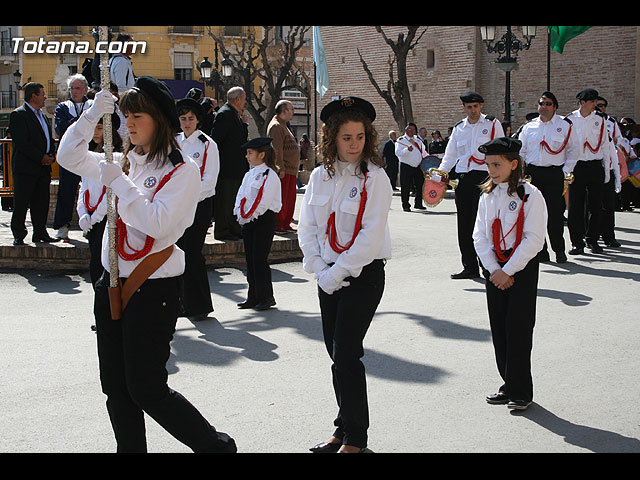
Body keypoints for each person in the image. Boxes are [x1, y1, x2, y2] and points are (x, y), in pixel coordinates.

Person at [56, 76, 236, 453]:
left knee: (146, 388)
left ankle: (215, 447)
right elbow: (68, 156)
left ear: (159, 119)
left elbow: (159, 223)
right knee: (116, 388)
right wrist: (91, 114)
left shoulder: (181, 170)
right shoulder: (124, 159)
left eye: (137, 116)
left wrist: (120, 183)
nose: (129, 124)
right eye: (125, 116)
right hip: (111, 284)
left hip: (153, 290)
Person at [298, 96, 392, 453]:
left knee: (347, 353)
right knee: (336, 356)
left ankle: (356, 439)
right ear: (331, 139)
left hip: (362, 276)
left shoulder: (375, 178)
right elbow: (307, 226)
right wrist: (321, 269)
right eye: (346, 138)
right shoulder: (321, 176)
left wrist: (336, 273)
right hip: (327, 277)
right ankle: (343, 427)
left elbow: (370, 236)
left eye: (360, 137)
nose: (355, 144)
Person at [472, 137, 548, 411]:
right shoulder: (487, 195)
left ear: (514, 164)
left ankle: (521, 390)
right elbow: (479, 236)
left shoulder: (530, 195)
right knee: (500, 329)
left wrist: (508, 270)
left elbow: (533, 239)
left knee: (519, 327)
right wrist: (494, 270)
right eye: (488, 164)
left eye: (497, 164)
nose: (491, 170)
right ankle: (508, 383)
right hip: (495, 271)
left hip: (521, 270)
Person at [437, 90, 505, 279]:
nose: (473, 110)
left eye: (476, 106)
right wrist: (441, 173)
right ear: (464, 108)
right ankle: (469, 266)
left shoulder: (492, 124)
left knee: (483, 224)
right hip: (463, 178)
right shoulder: (460, 128)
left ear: (481, 106)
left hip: (484, 177)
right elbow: (450, 155)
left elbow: (500, 149)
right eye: (469, 107)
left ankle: (488, 266)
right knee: (464, 224)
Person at [518, 91, 579, 264]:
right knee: (535, 214)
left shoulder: (564, 125)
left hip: (554, 173)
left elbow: (574, 149)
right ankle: (541, 250)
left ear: (555, 107)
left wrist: (565, 170)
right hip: (534, 174)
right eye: (541, 104)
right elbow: (522, 150)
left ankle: (559, 249)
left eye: (548, 104)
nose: (544, 107)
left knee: (555, 213)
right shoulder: (529, 127)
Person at [175, 97, 220, 321]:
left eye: (190, 118)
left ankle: (201, 305)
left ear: (198, 120)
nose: (186, 123)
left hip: (198, 205)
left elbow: (209, 180)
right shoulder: (174, 142)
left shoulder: (207, 144)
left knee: (193, 253)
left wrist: (188, 198)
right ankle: (183, 303)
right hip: (178, 206)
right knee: (178, 253)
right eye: (183, 119)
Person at [564, 88, 616, 255]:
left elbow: (605, 145)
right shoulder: (570, 120)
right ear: (583, 102)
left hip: (595, 165)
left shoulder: (600, 119)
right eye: (593, 102)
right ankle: (576, 243)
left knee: (595, 206)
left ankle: (592, 239)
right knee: (575, 207)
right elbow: (566, 147)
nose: (596, 105)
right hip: (577, 166)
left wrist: (607, 170)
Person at [233, 137, 282, 311]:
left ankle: (266, 297)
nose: (247, 156)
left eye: (250, 153)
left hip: (263, 220)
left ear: (262, 154)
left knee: (259, 260)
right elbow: (241, 195)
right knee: (250, 260)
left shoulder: (270, 175)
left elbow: (263, 201)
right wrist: (239, 213)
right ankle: (252, 296)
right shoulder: (249, 174)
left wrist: (249, 216)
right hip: (248, 220)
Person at [77, 113, 123, 287]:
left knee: (102, 262)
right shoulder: (90, 153)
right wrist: (82, 213)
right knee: (94, 263)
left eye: (100, 128)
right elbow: (84, 186)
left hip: (107, 217)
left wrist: (96, 216)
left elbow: (112, 190)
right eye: (94, 128)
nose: (96, 132)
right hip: (91, 217)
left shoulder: (116, 155)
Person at [10, 82, 59, 245]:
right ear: (33, 96)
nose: (45, 97)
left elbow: (47, 138)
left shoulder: (43, 115)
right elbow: (22, 143)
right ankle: (18, 233)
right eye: (42, 94)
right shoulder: (19, 114)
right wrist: (40, 157)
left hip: (42, 168)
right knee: (22, 202)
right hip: (26, 168)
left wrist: (51, 154)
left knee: (41, 202)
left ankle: (40, 231)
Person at [53, 74, 94, 241]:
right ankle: (62, 226)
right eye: (71, 88)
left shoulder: (91, 105)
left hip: (89, 155)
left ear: (85, 89)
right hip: (70, 157)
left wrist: (75, 123)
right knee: (66, 192)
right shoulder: (62, 107)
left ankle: (90, 225)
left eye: (77, 88)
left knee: (91, 190)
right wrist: (82, 123)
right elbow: (61, 127)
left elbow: (94, 125)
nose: (74, 92)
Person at [210, 86, 249, 241]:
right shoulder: (225, 114)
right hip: (227, 167)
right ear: (238, 99)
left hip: (235, 166)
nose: (245, 102)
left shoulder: (233, 114)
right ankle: (223, 229)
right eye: (244, 98)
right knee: (225, 199)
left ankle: (234, 227)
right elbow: (216, 140)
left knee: (233, 199)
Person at [267, 99, 299, 233]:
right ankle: (279, 224)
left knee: (290, 199)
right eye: (291, 109)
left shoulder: (284, 125)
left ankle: (285, 224)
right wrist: (280, 167)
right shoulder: (276, 126)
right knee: (282, 198)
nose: (293, 112)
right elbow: (277, 149)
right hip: (284, 170)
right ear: (284, 111)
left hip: (291, 170)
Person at [595, 96, 623, 247]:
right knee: (592, 204)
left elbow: (617, 139)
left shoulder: (611, 122)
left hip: (609, 166)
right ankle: (591, 234)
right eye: (597, 105)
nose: (600, 107)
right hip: (593, 166)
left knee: (608, 204)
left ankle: (608, 235)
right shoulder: (586, 121)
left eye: (603, 105)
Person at [395, 122, 427, 212]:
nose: (412, 131)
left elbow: (423, 151)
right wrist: (406, 150)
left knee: (420, 185)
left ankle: (418, 203)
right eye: (410, 129)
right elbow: (397, 153)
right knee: (405, 186)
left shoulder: (417, 140)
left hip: (418, 166)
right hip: (406, 166)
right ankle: (406, 205)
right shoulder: (401, 140)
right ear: (406, 130)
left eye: (413, 130)